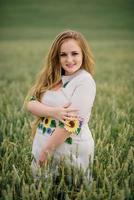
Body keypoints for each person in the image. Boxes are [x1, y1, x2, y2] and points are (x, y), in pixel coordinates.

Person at [25, 30, 96, 180]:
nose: (69, 59)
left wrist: (47, 151)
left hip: (70, 152)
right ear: (56, 57)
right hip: (43, 146)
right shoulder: (53, 77)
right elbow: (31, 103)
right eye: (63, 54)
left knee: (71, 190)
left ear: (83, 54)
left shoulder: (84, 81)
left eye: (74, 53)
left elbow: (73, 123)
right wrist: (54, 112)